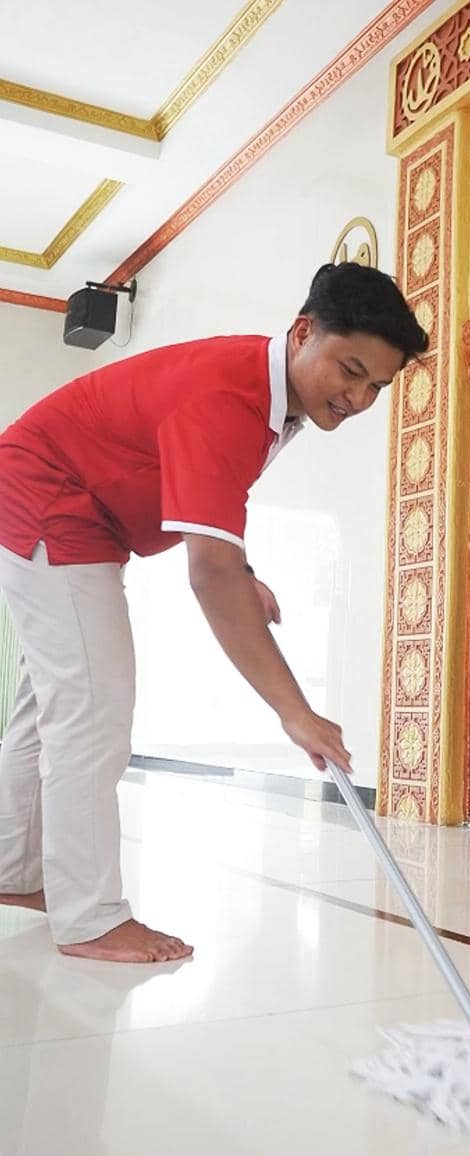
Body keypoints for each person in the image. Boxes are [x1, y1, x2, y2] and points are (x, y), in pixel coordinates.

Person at [0, 262, 427, 962]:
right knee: (92, 708)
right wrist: (296, 711)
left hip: (72, 505)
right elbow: (210, 574)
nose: (357, 398)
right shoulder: (229, 397)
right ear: (302, 333)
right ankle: (90, 917)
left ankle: (15, 872)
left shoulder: (272, 399)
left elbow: (218, 511)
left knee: (50, 704)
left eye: (376, 386)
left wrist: (244, 571)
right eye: (350, 370)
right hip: (50, 498)